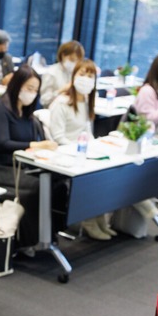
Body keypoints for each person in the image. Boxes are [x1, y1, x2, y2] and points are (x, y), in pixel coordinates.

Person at [0, 66, 57, 245]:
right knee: (39, 186)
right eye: (28, 88)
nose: (32, 93)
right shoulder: (0, 109)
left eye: (35, 90)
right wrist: (35, 145)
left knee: (56, 181)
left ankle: (45, 235)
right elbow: (3, 143)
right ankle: (31, 240)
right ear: (17, 85)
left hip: (22, 165)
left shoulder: (28, 113)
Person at [46, 59, 115, 241]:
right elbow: (58, 137)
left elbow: (87, 132)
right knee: (93, 176)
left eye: (90, 76)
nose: (85, 79)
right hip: (65, 153)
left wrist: (95, 148)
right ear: (73, 76)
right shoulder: (62, 102)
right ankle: (89, 220)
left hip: (81, 152)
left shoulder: (86, 101)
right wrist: (79, 150)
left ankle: (99, 218)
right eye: (82, 74)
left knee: (106, 170)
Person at [39, 41, 86, 108]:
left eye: (78, 61)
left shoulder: (76, 73)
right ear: (63, 55)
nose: (75, 63)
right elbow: (44, 101)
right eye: (72, 60)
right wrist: (61, 91)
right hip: (53, 111)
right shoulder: (51, 72)